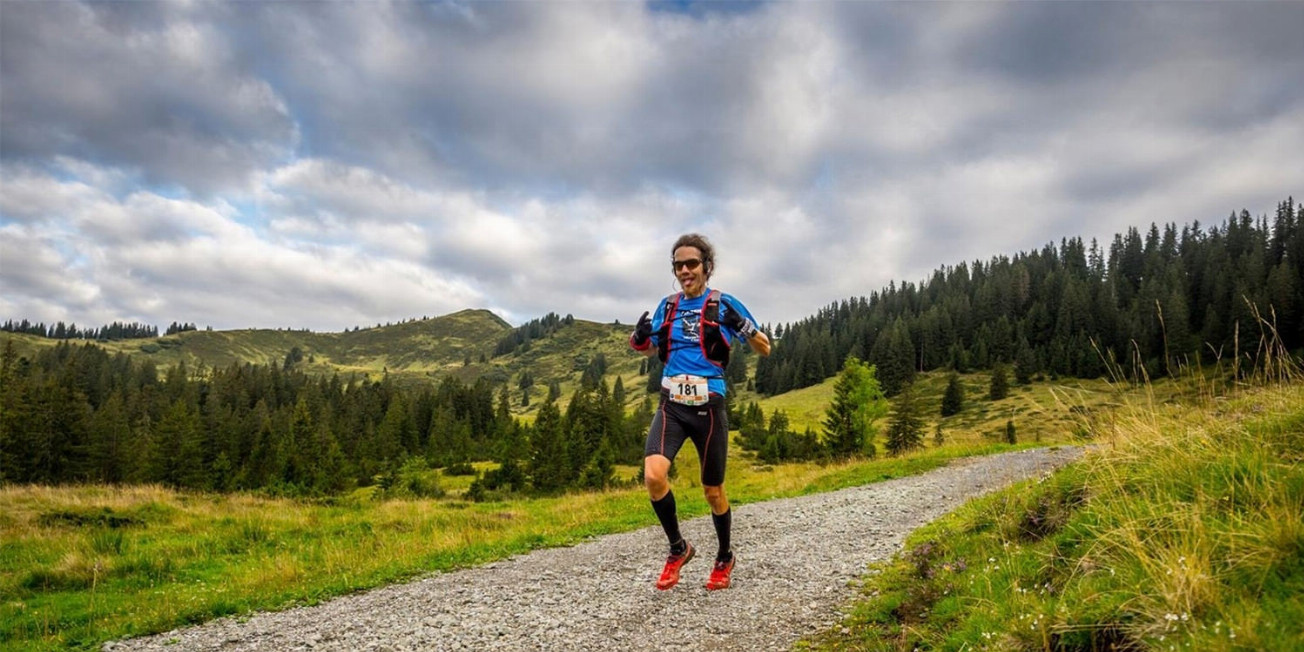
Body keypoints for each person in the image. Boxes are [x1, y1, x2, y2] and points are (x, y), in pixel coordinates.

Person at [629, 233, 771, 591]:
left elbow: (764, 348)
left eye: (692, 263)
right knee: (653, 475)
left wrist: (744, 327)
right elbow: (648, 351)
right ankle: (678, 548)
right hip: (672, 403)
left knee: (713, 491)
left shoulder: (723, 304)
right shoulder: (669, 305)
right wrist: (640, 338)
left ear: (707, 267)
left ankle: (724, 556)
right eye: (678, 265)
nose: (685, 270)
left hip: (709, 405)